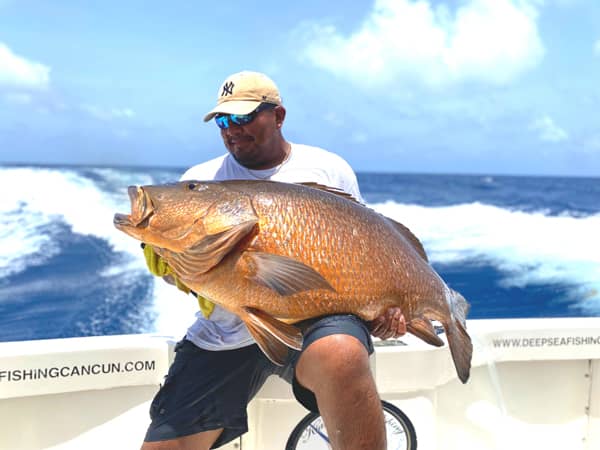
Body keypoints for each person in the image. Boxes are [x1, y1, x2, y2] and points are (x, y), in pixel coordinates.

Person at [140, 71, 407, 450]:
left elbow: (364, 247)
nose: (232, 128)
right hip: (227, 330)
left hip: (315, 318)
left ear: (278, 116)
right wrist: (173, 268)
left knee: (342, 353)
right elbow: (190, 277)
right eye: (223, 120)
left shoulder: (327, 169)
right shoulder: (199, 180)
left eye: (244, 117)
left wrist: (385, 307)